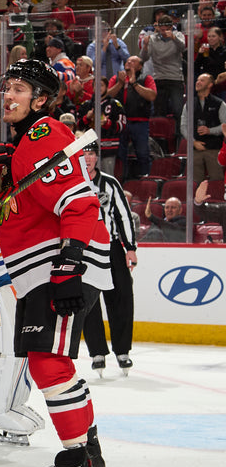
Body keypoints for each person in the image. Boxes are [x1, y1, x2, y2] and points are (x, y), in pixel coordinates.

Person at [0, 59, 112, 467]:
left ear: (40, 100)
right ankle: (87, 456)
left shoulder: (42, 135)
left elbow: (78, 202)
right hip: (43, 265)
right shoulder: (24, 146)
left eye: (19, 89)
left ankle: (79, 456)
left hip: (56, 261)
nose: (9, 96)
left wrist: (69, 264)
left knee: (48, 363)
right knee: (47, 362)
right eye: (7, 88)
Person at [80, 143, 137, 378]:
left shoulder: (111, 183)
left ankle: (122, 350)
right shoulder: (72, 183)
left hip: (111, 247)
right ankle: (97, 353)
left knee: (121, 297)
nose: (89, 158)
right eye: (84, 154)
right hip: (84, 248)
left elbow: (123, 216)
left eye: (92, 154)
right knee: (88, 301)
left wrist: (130, 248)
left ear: (97, 158)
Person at [106, 55, 156, 179]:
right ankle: (121, 180)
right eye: (127, 61)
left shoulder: (145, 78)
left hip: (140, 122)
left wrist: (134, 84)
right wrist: (119, 83)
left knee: (142, 153)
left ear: (140, 66)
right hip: (120, 123)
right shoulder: (116, 78)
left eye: (133, 61)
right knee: (120, 155)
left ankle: (146, 179)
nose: (129, 62)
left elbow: (152, 96)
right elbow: (106, 96)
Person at [180, 73, 226, 184]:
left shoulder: (219, 104)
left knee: (217, 182)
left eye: (202, 80)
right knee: (194, 183)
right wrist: (193, 142)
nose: (198, 82)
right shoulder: (189, 104)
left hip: (214, 150)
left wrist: (210, 130)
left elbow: (225, 125)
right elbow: (183, 126)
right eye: (198, 80)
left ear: (210, 85)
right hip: (195, 150)